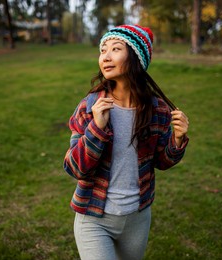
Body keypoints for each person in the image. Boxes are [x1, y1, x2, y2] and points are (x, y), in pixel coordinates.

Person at [63, 24, 189, 260]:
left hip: (137, 218)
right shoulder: (90, 108)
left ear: (135, 58)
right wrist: (97, 129)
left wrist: (177, 139)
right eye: (103, 50)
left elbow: (161, 161)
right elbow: (74, 168)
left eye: (115, 49)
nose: (105, 57)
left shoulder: (157, 110)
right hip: (94, 218)